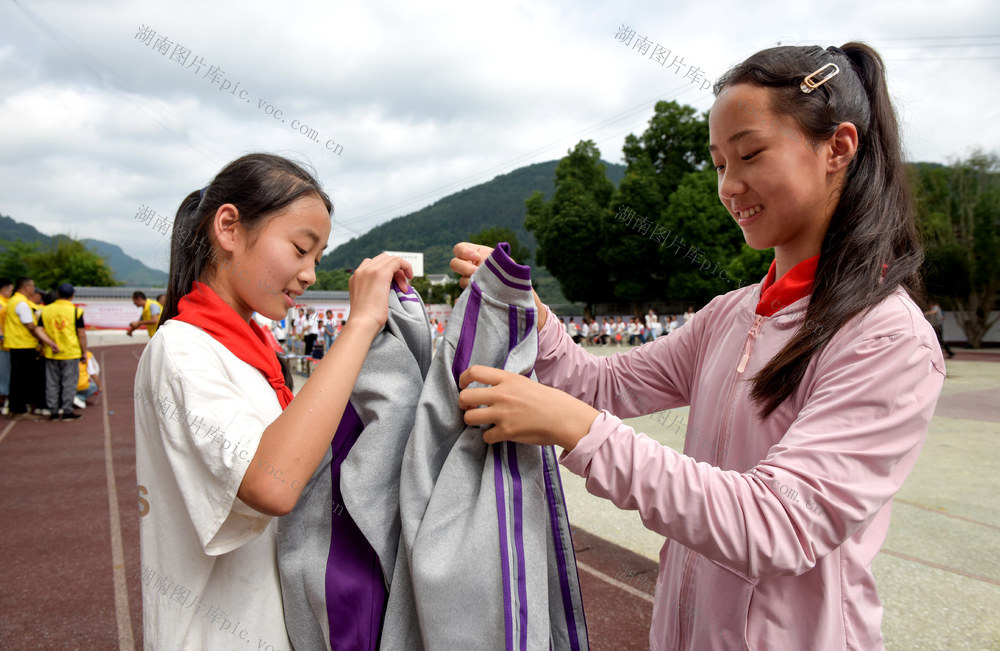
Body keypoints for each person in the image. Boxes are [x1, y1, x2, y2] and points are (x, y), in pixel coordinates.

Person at [451, 42, 945, 650]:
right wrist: (536, 314)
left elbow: (778, 523)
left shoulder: (888, 338)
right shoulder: (729, 314)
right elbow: (602, 384)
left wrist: (580, 431)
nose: (729, 186)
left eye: (750, 154)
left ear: (838, 148)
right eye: (718, 164)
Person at [133, 153, 411, 648]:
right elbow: (273, 484)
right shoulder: (183, 349)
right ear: (229, 228)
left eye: (317, 260)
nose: (309, 274)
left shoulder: (253, 351)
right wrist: (361, 323)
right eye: (301, 249)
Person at [3, 277, 59, 420]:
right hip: (24, 344)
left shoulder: (13, 301)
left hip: (16, 344)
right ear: (26, 287)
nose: (33, 290)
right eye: (32, 287)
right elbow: (30, 326)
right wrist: (42, 339)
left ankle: (15, 408)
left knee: (17, 378)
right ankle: (19, 409)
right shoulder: (22, 304)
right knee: (22, 379)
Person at [39, 283, 85, 421]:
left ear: (58, 294)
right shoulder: (76, 311)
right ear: (72, 295)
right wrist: (83, 352)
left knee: (52, 383)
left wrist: (50, 343)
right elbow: (81, 334)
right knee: (69, 383)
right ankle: (67, 411)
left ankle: (53, 411)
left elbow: (38, 330)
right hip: (71, 352)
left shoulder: (46, 310)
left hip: (52, 352)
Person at [0, 277, 13, 414]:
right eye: (11, 289)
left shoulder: (7, 302)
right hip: (3, 345)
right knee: (4, 375)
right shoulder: (1, 303)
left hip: (7, 344)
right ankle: (4, 402)